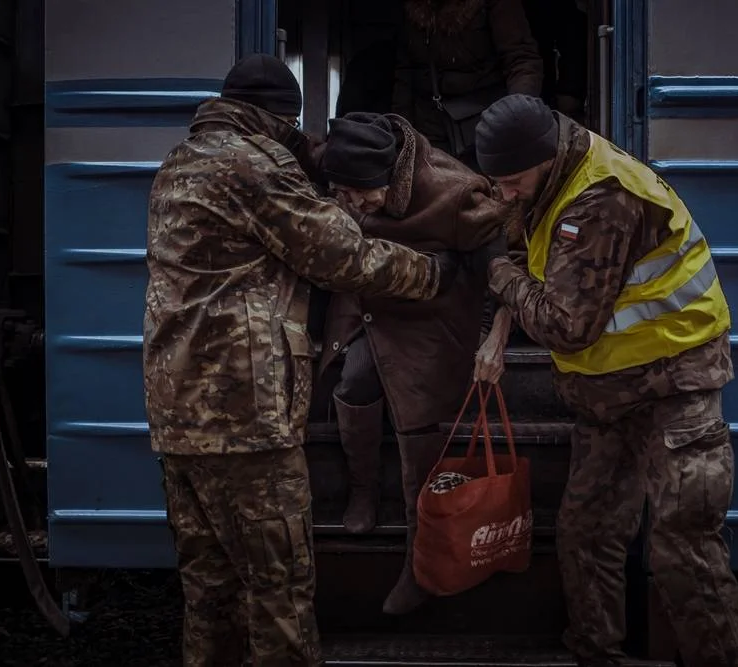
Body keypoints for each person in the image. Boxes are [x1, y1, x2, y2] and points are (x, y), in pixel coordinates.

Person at [143, 54, 460, 667]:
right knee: (279, 591)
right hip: (243, 412)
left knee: (209, 589)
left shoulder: (179, 163)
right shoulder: (254, 165)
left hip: (176, 409)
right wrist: (436, 274)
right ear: (276, 116)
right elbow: (341, 257)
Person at [472, 94, 738, 667]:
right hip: (607, 396)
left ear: (545, 158)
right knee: (586, 533)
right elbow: (524, 245)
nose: (504, 195)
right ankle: (595, 655)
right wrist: (502, 318)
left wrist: (501, 279)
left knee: (684, 549)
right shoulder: (550, 178)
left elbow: (567, 326)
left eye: (511, 182)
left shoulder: (602, 201)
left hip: (672, 385)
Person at [317, 111, 508, 615]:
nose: (349, 204)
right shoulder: (347, 179)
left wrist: (492, 336)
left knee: (416, 418)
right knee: (352, 383)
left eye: (357, 194)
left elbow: (501, 270)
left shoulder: (459, 192)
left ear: (387, 178)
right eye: (340, 193)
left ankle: (419, 561)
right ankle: (362, 492)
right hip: (365, 307)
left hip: (434, 318)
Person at [392, 0, 544, 169]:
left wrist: (517, 117)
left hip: (486, 120)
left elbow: (521, 60)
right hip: (429, 122)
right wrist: (402, 133)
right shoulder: (412, 8)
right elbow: (404, 74)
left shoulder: (495, 5)